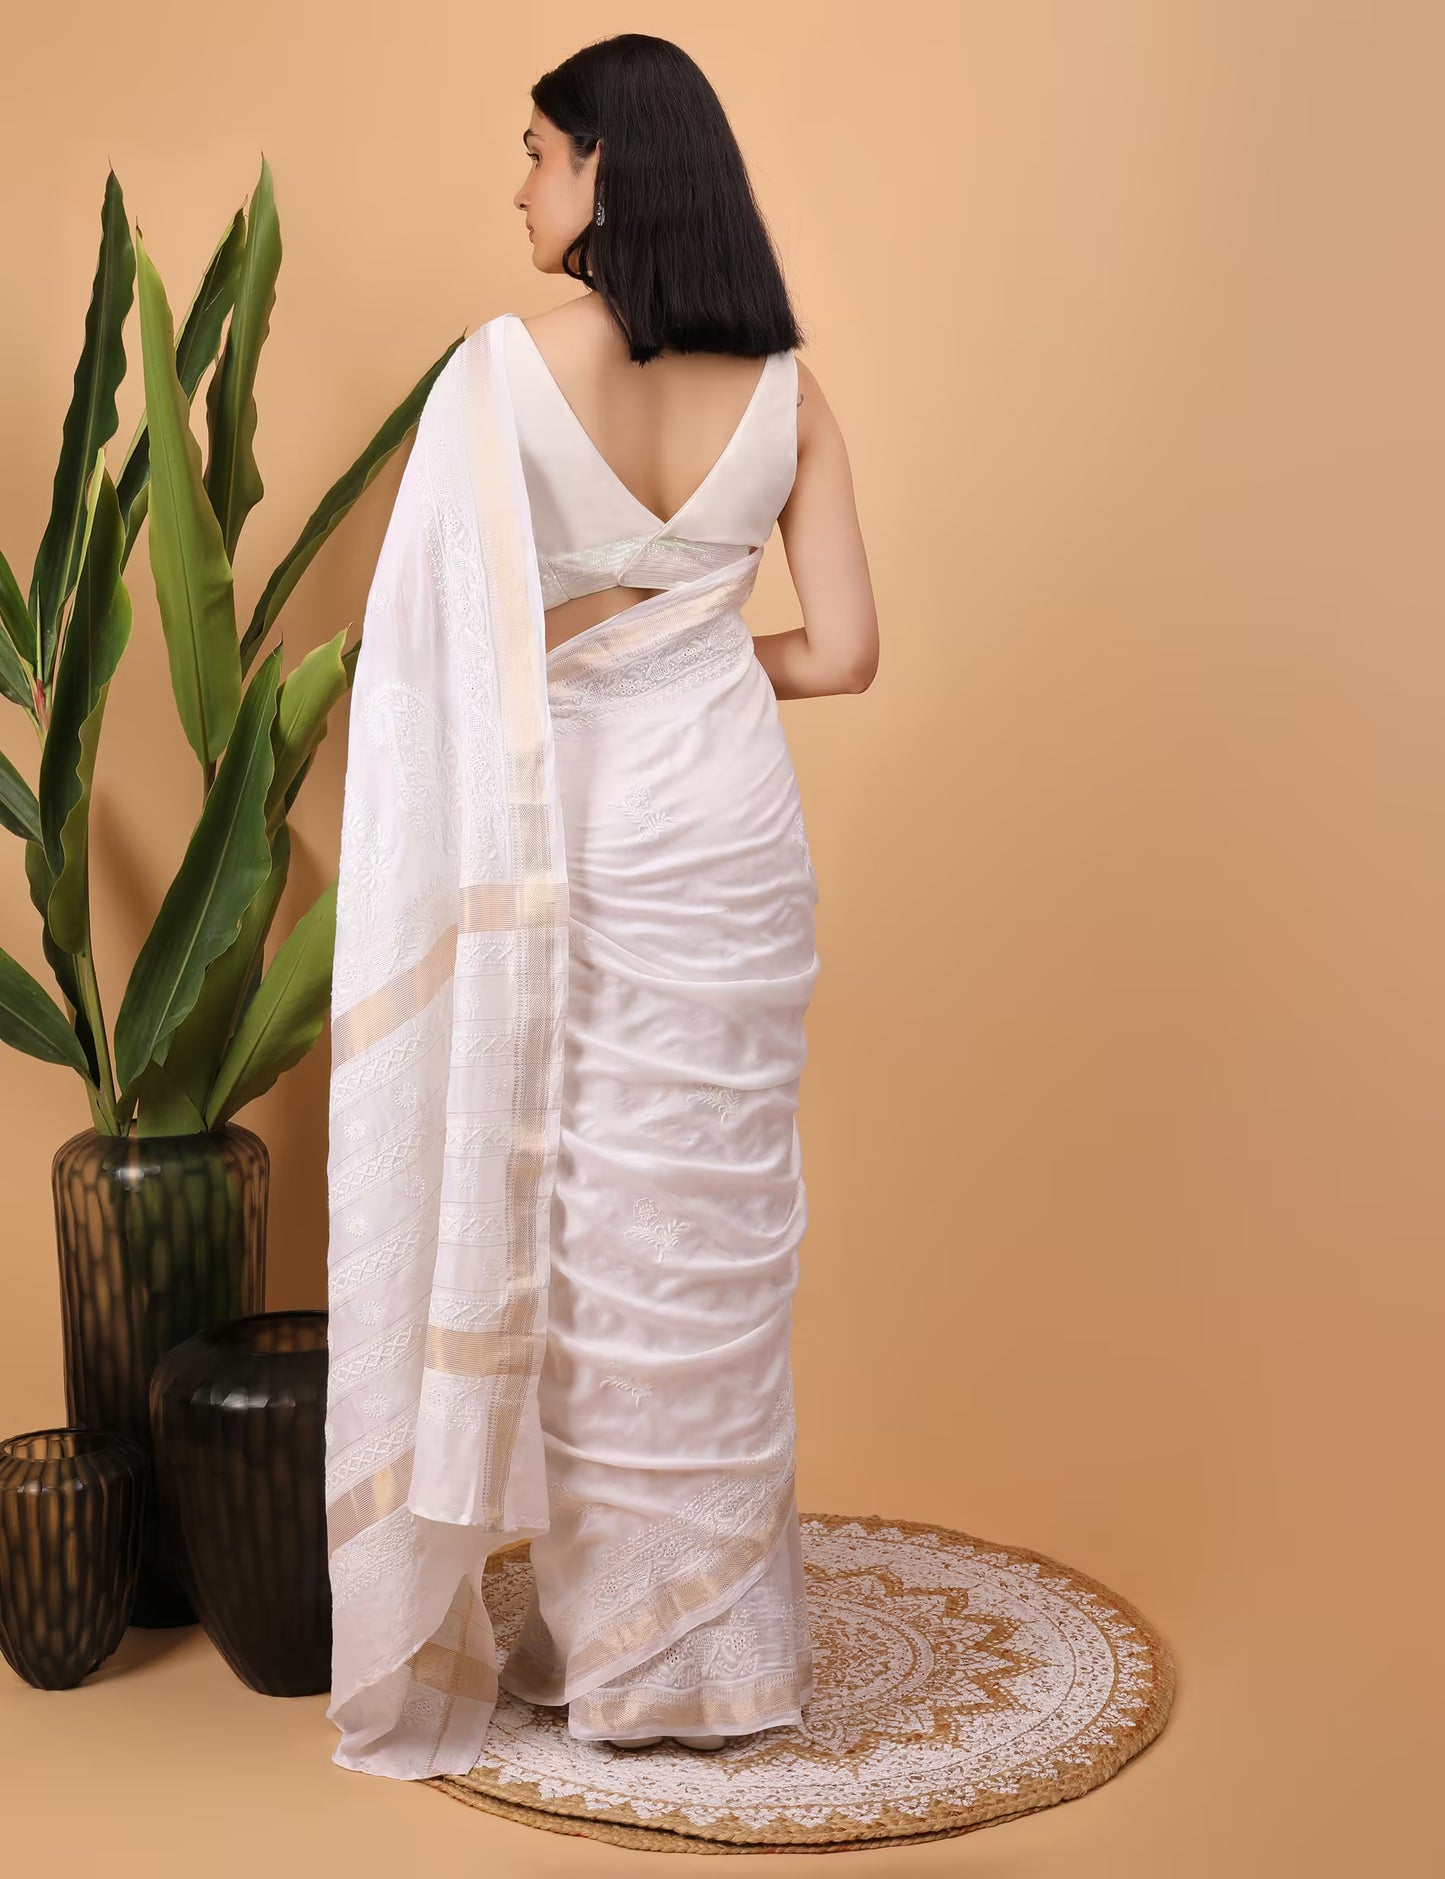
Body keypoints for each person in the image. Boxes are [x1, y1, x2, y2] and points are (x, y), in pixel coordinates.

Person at [323, 31, 877, 1781]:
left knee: (589, 1232)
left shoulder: (502, 377)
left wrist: (591, 662)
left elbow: (421, 664)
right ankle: (720, 1649)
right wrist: (690, 647)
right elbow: (848, 654)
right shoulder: (791, 393)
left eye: (538, 152)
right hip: (732, 846)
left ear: (606, 174)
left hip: (581, 851)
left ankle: (618, 1653)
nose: (519, 184)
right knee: (709, 1241)